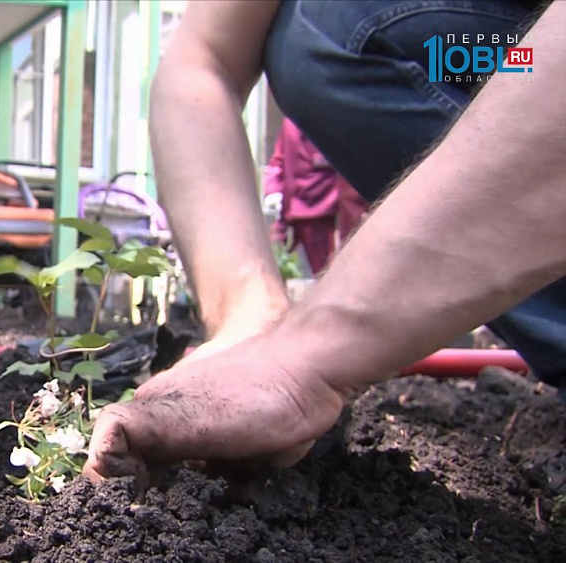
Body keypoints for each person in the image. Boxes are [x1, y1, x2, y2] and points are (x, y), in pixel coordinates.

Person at [83, 0, 564, 484]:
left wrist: (302, 362)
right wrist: (247, 321)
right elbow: (201, 61)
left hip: (496, 50)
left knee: (332, 32)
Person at [264, 117, 368, 275]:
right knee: (323, 272)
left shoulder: (335, 114)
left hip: (346, 203)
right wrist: (273, 192)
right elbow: (279, 160)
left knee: (352, 264)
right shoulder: (291, 123)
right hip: (308, 208)